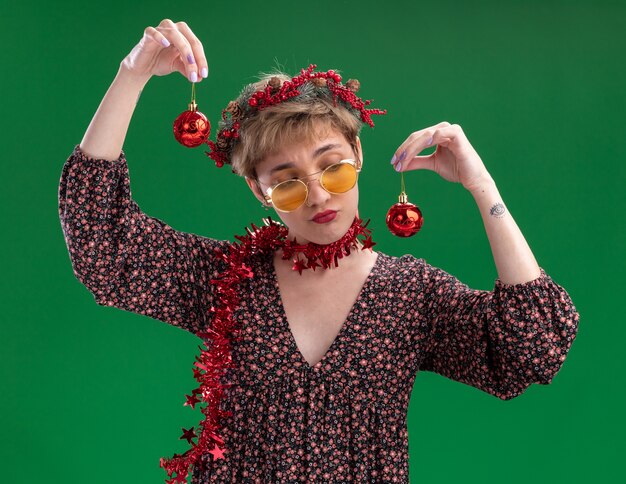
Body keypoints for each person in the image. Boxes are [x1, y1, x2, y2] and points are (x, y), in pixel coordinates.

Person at [58, 19, 580, 484]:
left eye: (334, 167)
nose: (319, 195)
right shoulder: (229, 280)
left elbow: (530, 346)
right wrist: (133, 74)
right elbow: (101, 241)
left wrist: (482, 186)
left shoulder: (411, 294)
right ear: (260, 193)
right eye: (287, 184)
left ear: (358, 154)